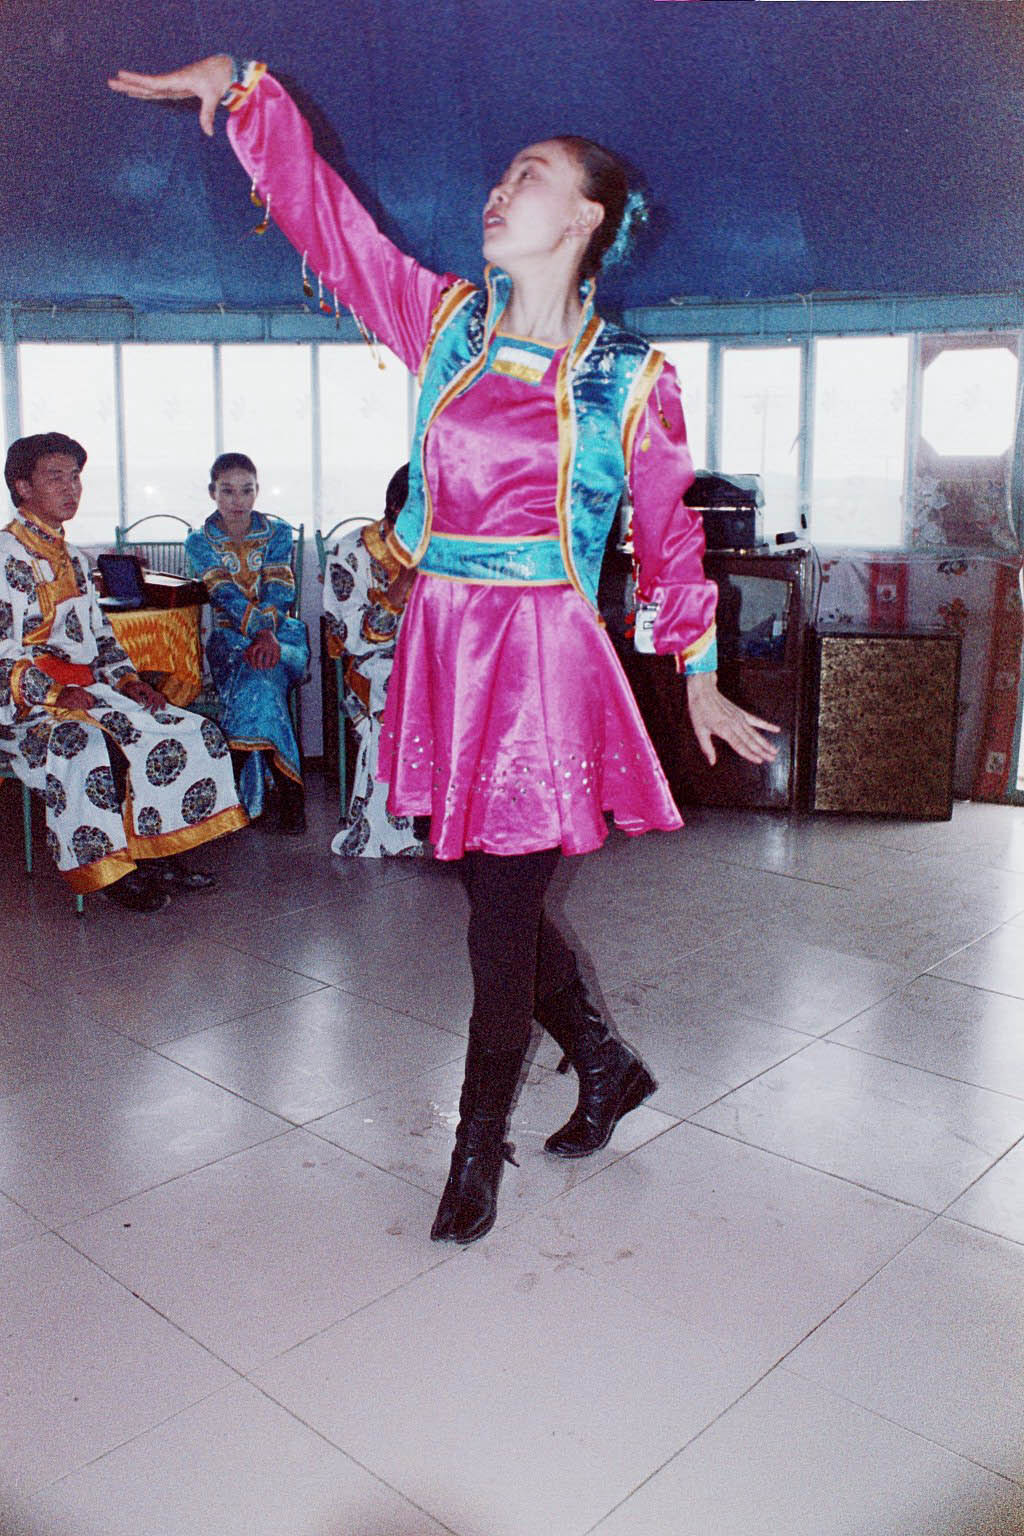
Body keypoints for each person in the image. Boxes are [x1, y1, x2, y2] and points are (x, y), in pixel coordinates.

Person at [110, 58, 779, 1239]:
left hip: (541, 659)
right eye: (501, 175)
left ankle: (475, 1150)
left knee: (498, 915)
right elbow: (332, 227)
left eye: (529, 176)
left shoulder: (628, 378)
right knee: (482, 880)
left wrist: (699, 673)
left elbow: (667, 537)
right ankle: (604, 1062)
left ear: (585, 217)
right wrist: (248, 92)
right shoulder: (446, 324)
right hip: (443, 640)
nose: (497, 191)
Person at [1, 432, 247, 911]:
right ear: (22, 487)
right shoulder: (4, 555)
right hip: (27, 708)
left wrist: (129, 681)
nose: (71, 488)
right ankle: (112, 871)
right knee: (89, 745)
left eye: (76, 477)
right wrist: (54, 694)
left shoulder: (75, 559)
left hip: (91, 692)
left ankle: (160, 851)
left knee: (186, 728)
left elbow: (101, 637)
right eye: (56, 477)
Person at [185, 452, 309, 832]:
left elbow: (280, 587)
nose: (238, 500)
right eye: (227, 491)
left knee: (262, 673)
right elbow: (222, 592)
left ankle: (234, 792)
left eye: (246, 490)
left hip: (283, 635)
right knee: (261, 681)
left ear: (258, 491)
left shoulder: (278, 532)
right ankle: (289, 797)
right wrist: (258, 633)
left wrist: (267, 632)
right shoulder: (199, 541)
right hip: (228, 640)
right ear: (212, 492)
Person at [323, 462, 425, 858]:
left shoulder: (450, 548)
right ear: (397, 507)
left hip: (442, 657)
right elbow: (355, 639)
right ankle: (394, 827)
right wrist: (403, 584)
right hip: (374, 663)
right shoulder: (351, 552)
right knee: (398, 688)